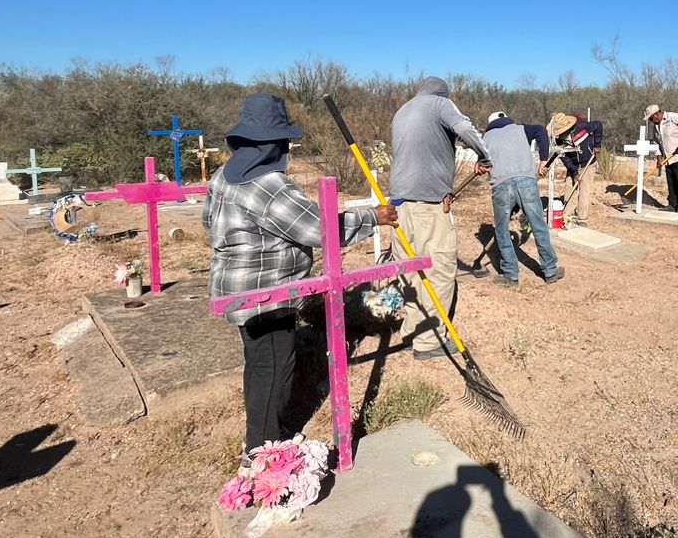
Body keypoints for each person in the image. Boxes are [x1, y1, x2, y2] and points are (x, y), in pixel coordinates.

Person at [205, 93, 397, 452]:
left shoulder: (223, 176)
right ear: (274, 145)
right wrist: (374, 217)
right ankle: (263, 451)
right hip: (266, 296)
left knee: (260, 363)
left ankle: (265, 434)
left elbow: (208, 222)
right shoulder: (269, 185)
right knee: (274, 369)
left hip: (236, 289)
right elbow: (320, 229)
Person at [390, 77, 492, 360]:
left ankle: (412, 331)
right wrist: (485, 156)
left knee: (410, 272)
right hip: (428, 207)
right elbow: (465, 129)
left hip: (397, 207)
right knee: (440, 271)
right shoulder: (440, 104)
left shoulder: (403, 111)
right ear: (444, 93)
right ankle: (428, 341)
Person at [483, 112, 564, 287]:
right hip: (526, 181)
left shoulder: (486, 138)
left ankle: (511, 274)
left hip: (501, 185)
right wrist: (543, 160)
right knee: (538, 226)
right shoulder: (521, 129)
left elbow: (483, 164)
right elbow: (541, 130)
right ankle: (550, 271)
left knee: (502, 230)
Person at [546, 111, 604, 225]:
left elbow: (598, 125)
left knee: (584, 190)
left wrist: (597, 144)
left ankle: (582, 218)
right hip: (573, 165)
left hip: (588, 162)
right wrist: (573, 171)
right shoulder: (558, 141)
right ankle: (567, 215)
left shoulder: (582, 127)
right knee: (569, 188)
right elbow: (564, 157)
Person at [645, 103, 678, 212]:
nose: (651, 121)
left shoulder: (673, 117)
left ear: (656, 114)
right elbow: (657, 143)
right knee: (671, 181)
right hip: (668, 158)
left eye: (651, 118)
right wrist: (659, 159)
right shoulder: (656, 127)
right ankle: (672, 205)